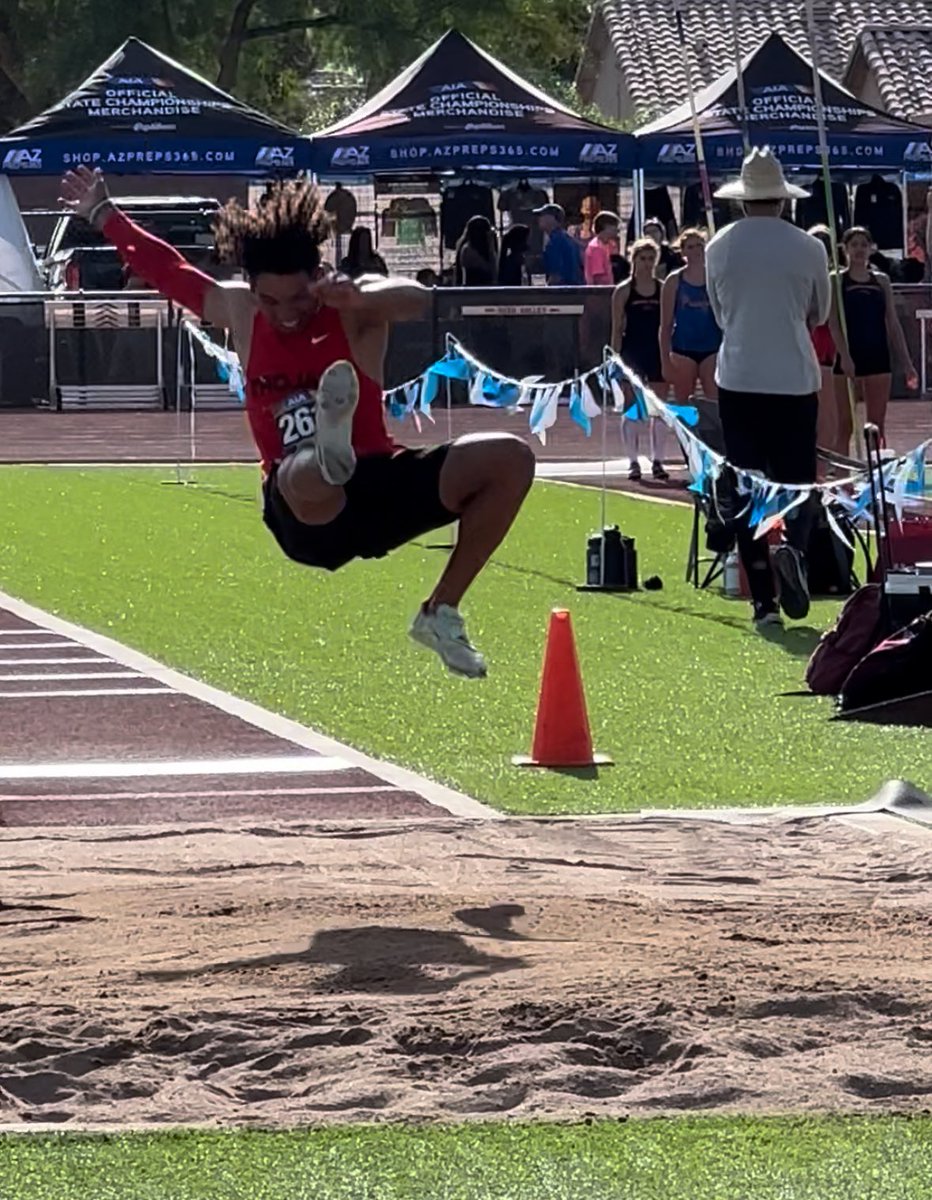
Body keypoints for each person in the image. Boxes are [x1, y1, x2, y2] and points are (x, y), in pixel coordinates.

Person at [58, 166, 535, 679]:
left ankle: (439, 611)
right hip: (302, 511)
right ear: (251, 288)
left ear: (318, 277)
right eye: (271, 300)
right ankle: (327, 451)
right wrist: (106, 216)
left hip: (377, 485)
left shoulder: (352, 305)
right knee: (302, 471)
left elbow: (416, 299)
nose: (285, 313)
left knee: (511, 458)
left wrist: (359, 297)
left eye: (298, 298)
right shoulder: (241, 311)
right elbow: (170, 271)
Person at [705, 148, 831, 629]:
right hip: (794, 378)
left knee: (747, 488)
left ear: (742, 201)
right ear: (782, 200)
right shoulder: (809, 247)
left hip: (739, 378)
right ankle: (795, 548)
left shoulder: (719, 246)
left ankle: (763, 603)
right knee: (798, 480)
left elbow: (720, 313)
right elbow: (817, 312)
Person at [829, 226, 919, 452]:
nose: (859, 249)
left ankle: (877, 476)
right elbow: (834, 324)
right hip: (848, 360)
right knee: (845, 425)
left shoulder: (881, 281)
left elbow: (892, 323)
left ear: (871, 249)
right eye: (854, 245)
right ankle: (845, 482)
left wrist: (907, 363)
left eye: (863, 245)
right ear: (845, 249)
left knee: (875, 426)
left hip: (878, 358)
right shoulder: (837, 280)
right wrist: (844, 356)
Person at [611, 237, 669, 482]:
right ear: (633, 260)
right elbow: (616, 327)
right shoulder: (624, 290)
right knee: (632, 407)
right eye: (642, 259)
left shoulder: (664, 288)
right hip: (633, 351)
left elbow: (668, 325)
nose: (646, 264)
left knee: (659, 408)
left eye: (650, 259)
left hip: (656, 351)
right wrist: (614, 359)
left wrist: (669, 354)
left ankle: (658, 460)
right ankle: (633, 461)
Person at [660, 228, 721, 404]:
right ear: (683, 251)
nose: (696, 251)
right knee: (684, 401)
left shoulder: (715, 277)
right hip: (683, 348)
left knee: (714, 400)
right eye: (690, 247)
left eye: (699, 246)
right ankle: (685, 431)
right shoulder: (674, 281)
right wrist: (665, 360)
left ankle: (712, 432)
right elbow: (665, 325)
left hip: (712, 347)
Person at [807, 225, 840, 454]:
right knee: (822, 410)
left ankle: (824, 457)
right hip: (815, 343)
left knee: (831, 410)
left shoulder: (835, 276)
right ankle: (819, 460)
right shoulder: (807, 275)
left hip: (829, 343)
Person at [534, 203, 583, 286]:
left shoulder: (555, 242)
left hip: (564, 292)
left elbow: (556, 275)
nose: (539, 218)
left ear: (552, 218)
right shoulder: (566, 238)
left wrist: (545, 292)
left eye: (542, 215)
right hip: (575, 289)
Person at [454, 215, 498, 287]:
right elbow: (492, 271)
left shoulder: (479, 250)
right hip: (473, 291)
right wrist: (491, 246)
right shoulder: (468, 250)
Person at [584, 211, 621, 286]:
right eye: (615, 226)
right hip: (600, 293)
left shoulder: (611, 245)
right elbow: (598, 278)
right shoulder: (596, 248)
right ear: (605, 226)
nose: (618, 230)